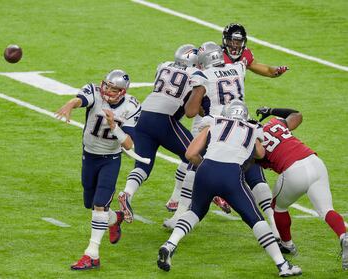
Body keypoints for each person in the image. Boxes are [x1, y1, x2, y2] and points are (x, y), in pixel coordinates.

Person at [157, 100, 302, 277]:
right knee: (255, 219)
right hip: (231, 174)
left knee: (195, 211)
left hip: (205, 170)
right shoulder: (253, 128)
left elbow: (190, 154)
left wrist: (205, 167)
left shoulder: (213, 121)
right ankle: (282, 265)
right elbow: (261, 154)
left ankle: (170, 244)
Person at [55, 69, 141, 270]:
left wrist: (114, 126)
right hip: (89, 155)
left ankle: (92, 254)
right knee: (90, 204)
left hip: (110, 159)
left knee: (100, 204)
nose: (109, 91)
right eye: (108, 86)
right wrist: (69, 105)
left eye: (114, 88)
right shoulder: (94, 92)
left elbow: (129, 144)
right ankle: (115, 218)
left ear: (123, 91)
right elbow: (80, 100)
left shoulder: (132, 106)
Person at [163, 41, 247, 229]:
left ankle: (180, 215)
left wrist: (198, 103)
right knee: (246, 173)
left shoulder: (203, 75)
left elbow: (191, 111)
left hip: (216, 127)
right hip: (241, 127)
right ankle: (271, 226)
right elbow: (244, 63)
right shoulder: (237, 68)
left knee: (194, 165)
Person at [256, 106, 348, 270]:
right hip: (314, 161)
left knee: (278, 207)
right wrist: (270, 110)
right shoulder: (274, 123)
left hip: (293, 170)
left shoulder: (249, 140)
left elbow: (254, 158)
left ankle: (287, 244)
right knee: (327, 209)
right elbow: (296, 115)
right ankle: (343, 235)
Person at [117, 44, 198, 223]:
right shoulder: (195, 74)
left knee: (143, 164)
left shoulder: (163, 65)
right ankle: (181, 212)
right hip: (164, 119)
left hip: (144, 116)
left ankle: (127, 194)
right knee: (195, 156)